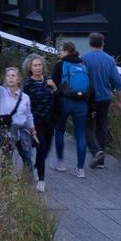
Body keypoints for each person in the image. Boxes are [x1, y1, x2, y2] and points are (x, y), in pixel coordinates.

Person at [0, 66, 37, 173]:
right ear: (6, 79)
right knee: (5, 157)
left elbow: (29, 115)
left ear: (18, 79)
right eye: (8, 76)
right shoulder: (2, 93)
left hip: (21, 131)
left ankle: (28, 180)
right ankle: (4, 180)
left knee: (27, 157)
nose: (10, 78)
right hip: (6, 130)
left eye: (13, 75)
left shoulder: (25, 97)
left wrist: (33, 130)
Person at [83, 32, 121, 169]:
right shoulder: (110, 60)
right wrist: (119, 102)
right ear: (103, 44)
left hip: (90, 99)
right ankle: (100, 162)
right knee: (101, 126)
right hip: (105, 98)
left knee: (86, 126)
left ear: (90, 44)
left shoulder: (84, 59)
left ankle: (96, 151)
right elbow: (118, 83)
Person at [52, 41, 90, 179]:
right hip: (81, 103)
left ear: (67, 51)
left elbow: (54, 84)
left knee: (60, 131)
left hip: (65, 102)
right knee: (80, 134)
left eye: (61, 50)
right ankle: (80, 169)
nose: (59, 53)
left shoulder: (60, 65)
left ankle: (61, 163)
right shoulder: (82, 64)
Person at [22, 54, 58, 192]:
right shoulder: (28, 85)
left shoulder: (48, 81)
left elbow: (58, 99)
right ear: (30, 68)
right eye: (35, 65)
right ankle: (41, 180)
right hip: (35, 123)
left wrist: (54, 88)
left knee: (46, 151)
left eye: (40, 65)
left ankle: (36, 166)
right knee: (41, 149)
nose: (38, 68)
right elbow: (24, 105)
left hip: (49, 122)